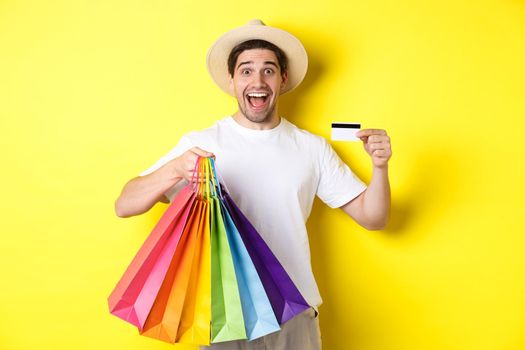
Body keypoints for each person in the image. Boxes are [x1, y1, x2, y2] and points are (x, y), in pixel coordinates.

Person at [115, 19, 392, 350]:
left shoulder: (311, 147)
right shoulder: (201, 142)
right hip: (225, 317)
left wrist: (380, 167)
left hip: (294, 316)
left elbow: (373, 218)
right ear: (232, 80)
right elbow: (125, 204)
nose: (257, 80)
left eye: (268, 70)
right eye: (246, 71)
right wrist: (175, 168)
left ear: (283, 79)